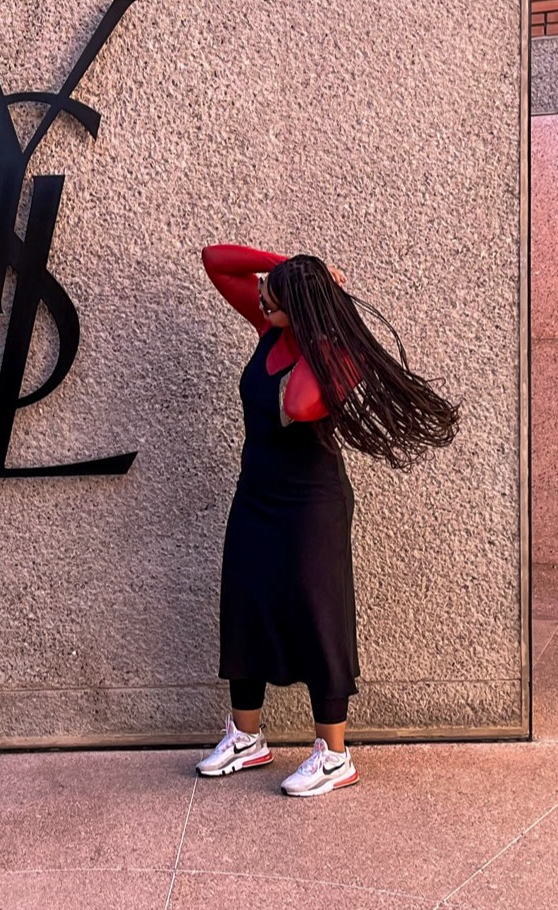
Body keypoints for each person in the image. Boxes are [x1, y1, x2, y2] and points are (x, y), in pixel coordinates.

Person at [195, 244, 460, 797]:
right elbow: (215, 260)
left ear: (301, 308)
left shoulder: (337, 355)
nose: (261, 300)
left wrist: (313, 308)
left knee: (319, 616)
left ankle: (334, 754)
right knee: (245, 603)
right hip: (256, 494)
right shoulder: (270, 327)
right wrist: (294, 271)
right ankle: (246, 738)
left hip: (312, 504)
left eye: (273, 299)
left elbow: (298, 405)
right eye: (265, 294)